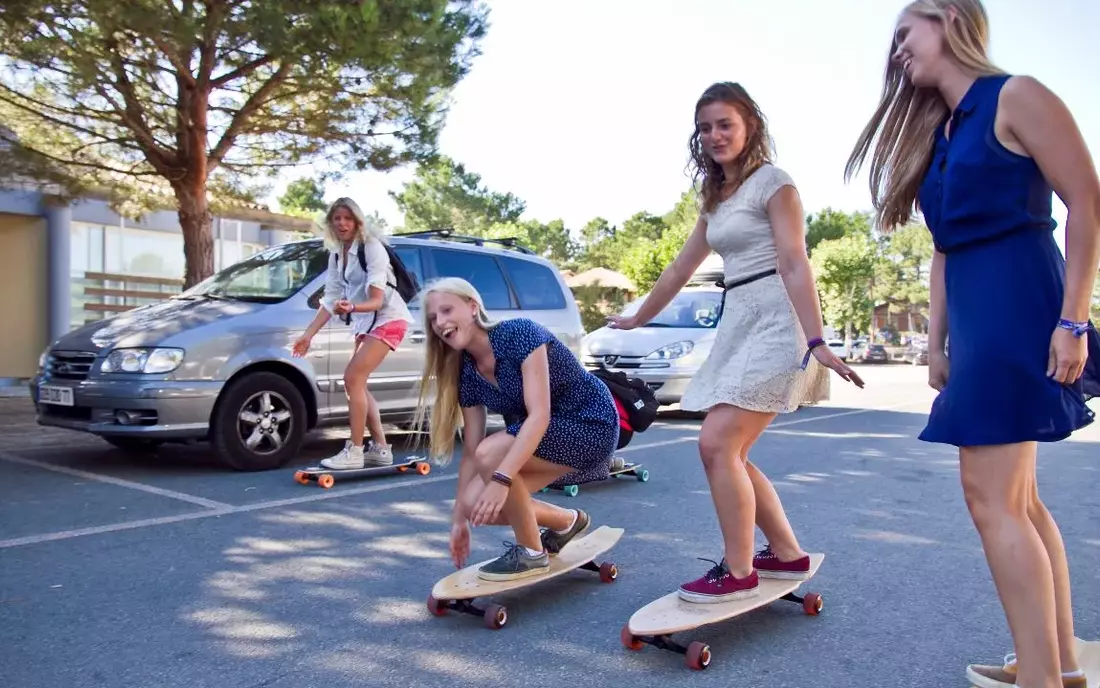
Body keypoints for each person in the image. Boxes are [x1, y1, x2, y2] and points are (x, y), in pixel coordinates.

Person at [844, 2, 1100, 687]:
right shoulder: (945, 131)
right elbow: (943, 249)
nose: (897, 51)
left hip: (1021, 300)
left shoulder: (1015, 95)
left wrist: (1073, 319)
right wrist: (935, 346)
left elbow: (1086, 199)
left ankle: (1041, 678)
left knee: (989, 498)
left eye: (905, 33)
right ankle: (1057, 663)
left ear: (949, 16)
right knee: (1018, 500)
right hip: (978, 312)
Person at [608, 81, 864, 605]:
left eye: (725, 124)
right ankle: (785, 551)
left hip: (776, 319)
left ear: (750, 126)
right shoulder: (716, 198)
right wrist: (639, 317)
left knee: (717, 444)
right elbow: (681, 267)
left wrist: (816, 341)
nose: (714, 135)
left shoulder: (775, 183)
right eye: (705, 127)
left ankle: (740, 570)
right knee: (735, 452)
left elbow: (795, 261)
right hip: (739, 321)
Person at [411, 277, 619, 581]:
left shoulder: (518, 333)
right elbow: (470, 451)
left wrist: (502, 478)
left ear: (472, 307)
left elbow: (539, 415)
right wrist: (459, 520)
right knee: (474, 502)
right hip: (542, 441)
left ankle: (531, 553)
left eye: (446, 310)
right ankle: (566, 522)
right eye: (433, 318)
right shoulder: (467, 372)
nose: (440, 323)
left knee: (492, 455)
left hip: (589, 424)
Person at [292, 197, 415, 470]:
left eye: (348, 218)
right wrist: (308, 336)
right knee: (357, 384)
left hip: (388, 318)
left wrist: (353, 306)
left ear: (358, 222)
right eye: (337, 219)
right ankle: (381, 448)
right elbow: (330, 300)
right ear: (331, 224)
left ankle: (355, 450)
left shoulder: (371, 248)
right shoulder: (337, 254)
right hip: (365, 323)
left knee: (352, 378)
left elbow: (376, 299)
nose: (342, 224)